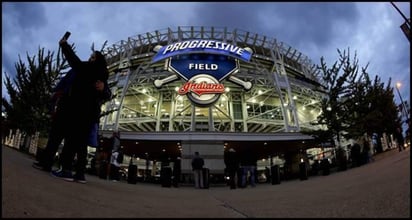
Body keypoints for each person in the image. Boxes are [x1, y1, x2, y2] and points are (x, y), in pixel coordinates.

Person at [51, 33, 110, 184]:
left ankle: (66, 171)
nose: (89, 59)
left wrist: (64, 45)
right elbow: (107, 94)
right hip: (90, 115)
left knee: (71, 141)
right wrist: (103, 89)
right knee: (82, 144)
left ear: (96, 60)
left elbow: (74, 61)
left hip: (77, 110)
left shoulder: (89, 69)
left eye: (92, 57)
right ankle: (80, 174)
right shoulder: (102, 76)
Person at [32, 68, 111, 172]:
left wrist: (104, 89)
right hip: (65, 110)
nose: (91, 60)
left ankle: (65, 169)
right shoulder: (77, 70)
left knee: (70, 144)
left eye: (93, 58)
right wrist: (56, 94)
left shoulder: (95, 76)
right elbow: (63, 83)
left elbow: (106, 94)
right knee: (54, 138)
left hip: (77, 114)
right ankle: (47, 163)